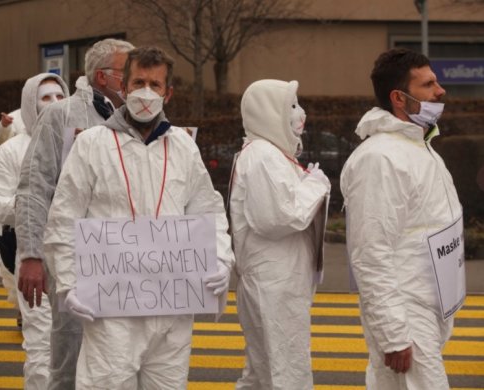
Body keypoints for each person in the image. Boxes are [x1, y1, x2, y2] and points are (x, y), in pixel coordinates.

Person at [43, 46, 234, 389]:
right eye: (139, 82)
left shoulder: (183, 147)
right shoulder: (92, 145)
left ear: (168, 93)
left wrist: (220, 258)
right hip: (111, 316)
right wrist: (69, 282)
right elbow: (64, 217)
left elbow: (208, 209)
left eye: (155, 85)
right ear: (124, 88)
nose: (146, 92)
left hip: (171, 315)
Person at [15, 37, 134, 389]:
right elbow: (35, 187)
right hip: (73, 258)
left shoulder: (142, 119)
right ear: (102, 77)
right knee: (70, 354)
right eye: (128, 73)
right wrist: (32, 254)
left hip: (127, 258)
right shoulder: (61, 115)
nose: (137, 82)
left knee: (123, 358)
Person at [341, 48, 460, 389]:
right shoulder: (380, 159)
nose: (440, 91)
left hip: (427, 304)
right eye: (428, 84)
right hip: (407, 308)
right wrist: (393, 333)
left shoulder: (419, 148)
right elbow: (370, 251)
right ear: (399, 97)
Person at [229, 79, 331, 389]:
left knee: (263, 373)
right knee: (286, 372)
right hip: (274, 285)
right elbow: (277, 217)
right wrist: (316, 184)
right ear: (267, 112)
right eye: (290, 106)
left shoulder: (271, 154)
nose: (300, 113)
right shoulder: (262, 155)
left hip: (277, 282)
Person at [0, 72, 68, 389]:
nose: (55, 104)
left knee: (84, 346)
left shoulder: (82, 143)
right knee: (41, 345)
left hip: (79, 256)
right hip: (34, 258)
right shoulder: (12, 151)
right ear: (30, 103)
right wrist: (29, 207)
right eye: (46, 98)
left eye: (60, 97)